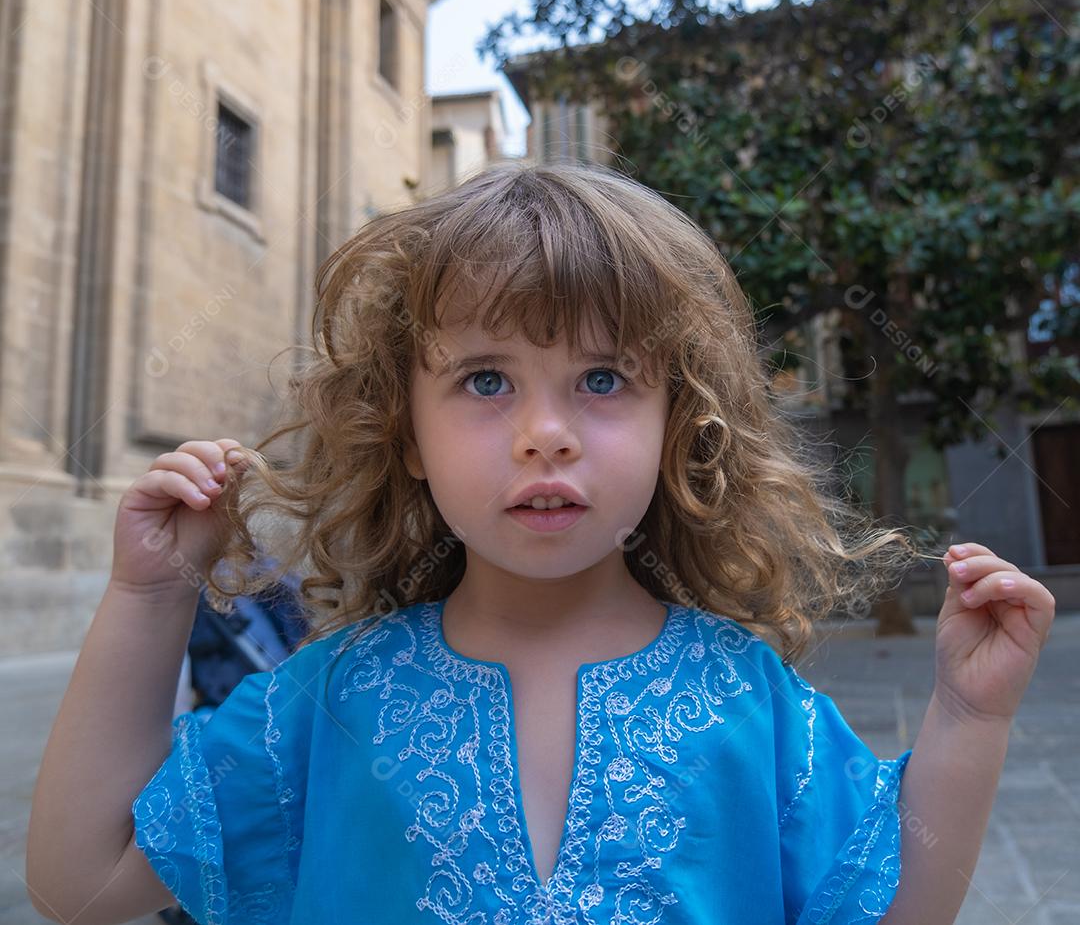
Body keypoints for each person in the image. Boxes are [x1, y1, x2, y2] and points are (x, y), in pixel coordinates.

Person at [26, 161, 1056, 925]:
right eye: (485, 379)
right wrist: (151, 596)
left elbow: (893, 898)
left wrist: (970, 713)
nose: (545, 429)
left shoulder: (747, 697)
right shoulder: (328, 700)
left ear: (677, 425)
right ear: (409, 435)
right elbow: (84, 880)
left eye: (603, 379)